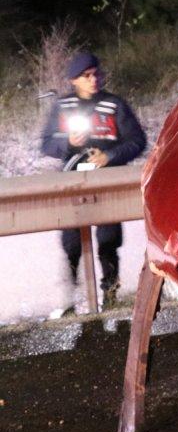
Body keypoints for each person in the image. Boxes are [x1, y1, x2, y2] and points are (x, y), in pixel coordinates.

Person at [40, 52, 146, 311]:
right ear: (73, 80)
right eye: (86, 76)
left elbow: (137, 141)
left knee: (108, 240)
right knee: (72, 243)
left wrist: (110, 155)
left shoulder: (114, 105)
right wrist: (68, 143)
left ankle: (110, 294)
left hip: (107, 182)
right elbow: (46, 144)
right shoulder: (63, 107)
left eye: (96, 73)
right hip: (72, 181)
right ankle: (70, 300)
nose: (93, 79)